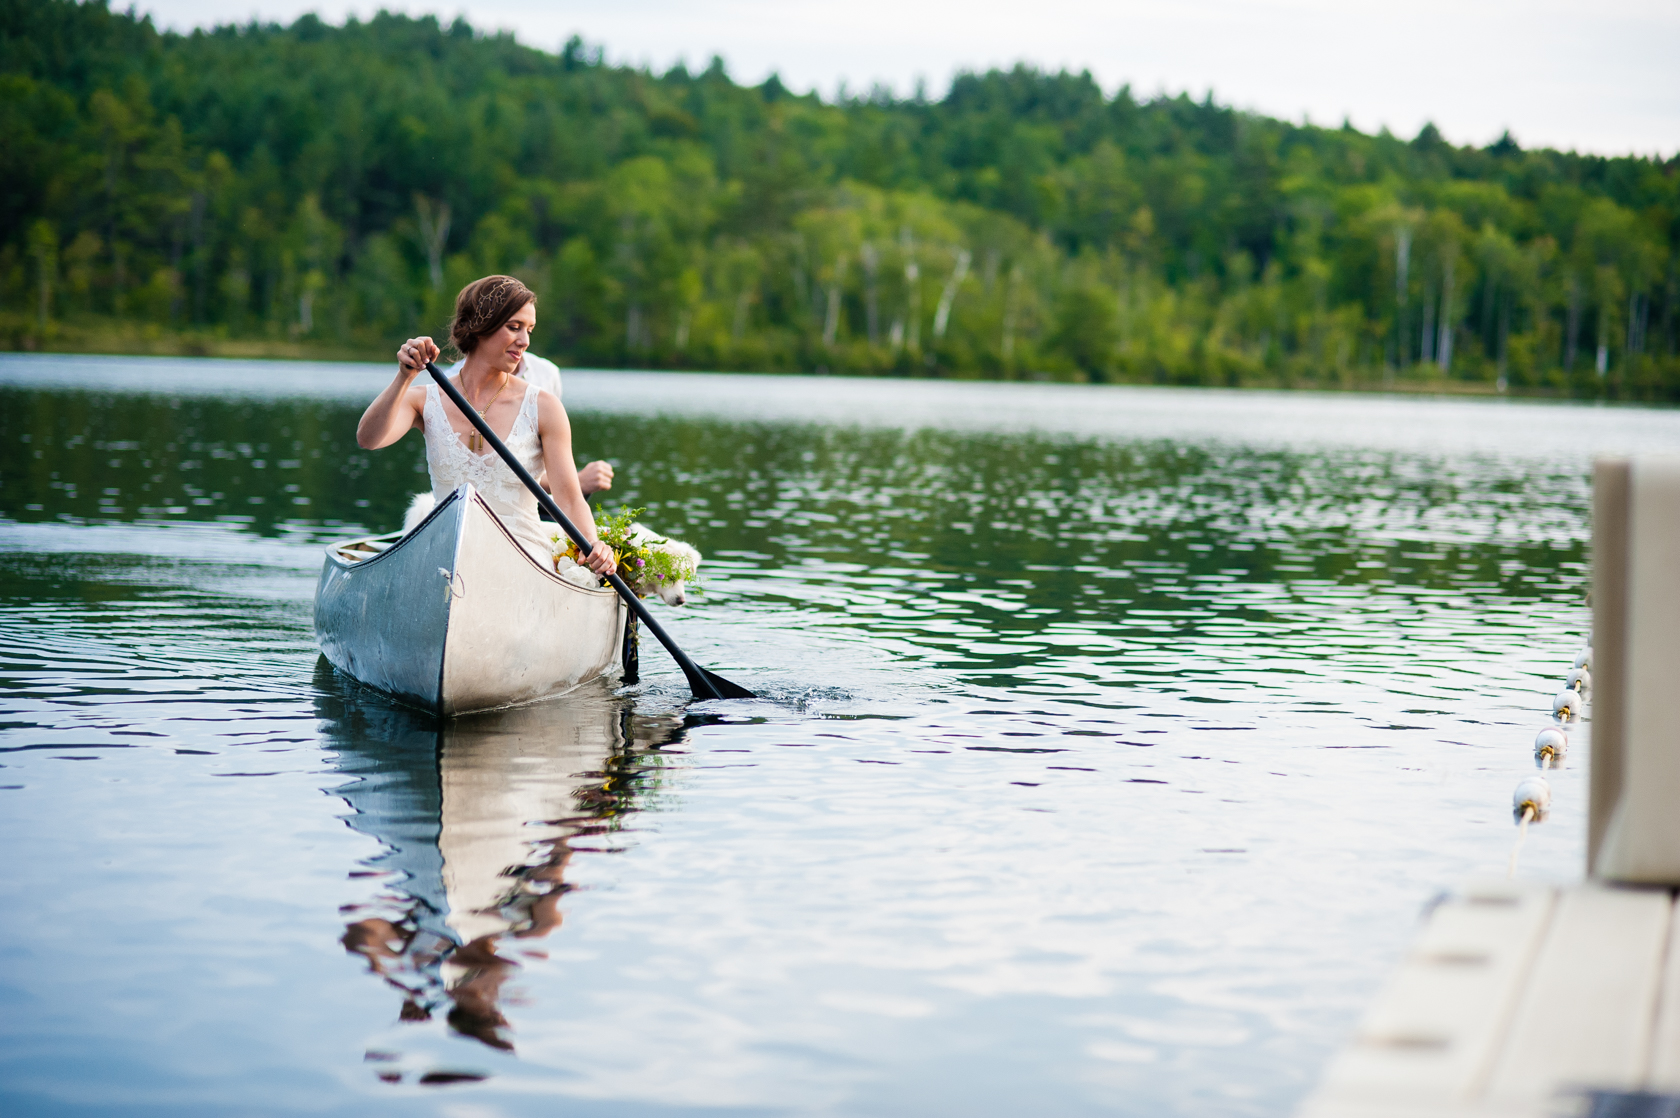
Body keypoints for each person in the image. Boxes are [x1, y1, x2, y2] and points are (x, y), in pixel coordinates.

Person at [355, 274, 614, 577]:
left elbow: (569, 499)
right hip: (444, 557)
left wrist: (594, 546)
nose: (525, 340)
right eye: (514, 327)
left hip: (523, 561)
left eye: (529, 329)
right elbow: (368, 439)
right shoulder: (424, 399)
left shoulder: (544, 407)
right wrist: (405, 376)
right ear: (478, 327)